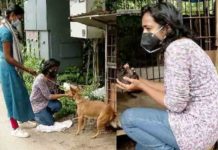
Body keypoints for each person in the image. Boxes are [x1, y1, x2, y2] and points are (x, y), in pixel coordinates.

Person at [117, 2, 218, 150]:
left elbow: (176, 104)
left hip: (197, 129)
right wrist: (140, 81)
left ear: (167, 27)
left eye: (148, 28)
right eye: (143, 28)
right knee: (141, 147)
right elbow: (172, 89)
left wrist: (141, 86)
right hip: (208, 127)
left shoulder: (176, 50)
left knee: (128, 118)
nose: (144, 33)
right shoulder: (185, 44)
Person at [0, 5, 37, 138]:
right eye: (19, 17)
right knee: (12, 97)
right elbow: (8, 57)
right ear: (13, 15)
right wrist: (27, 69)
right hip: (7, 67)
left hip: (9, 65)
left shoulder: (7, 27)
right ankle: (14, 128)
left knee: (21, 93)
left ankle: (23, 120)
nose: (20, 20)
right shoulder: (5, 32)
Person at [30, 58, 71, 126]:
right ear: (49, 69)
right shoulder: (40, 79)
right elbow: (49, 96)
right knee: (50, 123)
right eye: (55, 69)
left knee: (57, 105)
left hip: (45, 101)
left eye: (57, 68)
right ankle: (33, 116)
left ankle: (45, 115)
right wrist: (65, 94)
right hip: (37, 103)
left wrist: (66, 90)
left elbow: (55, 91)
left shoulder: (53, 77)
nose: (57, 71)